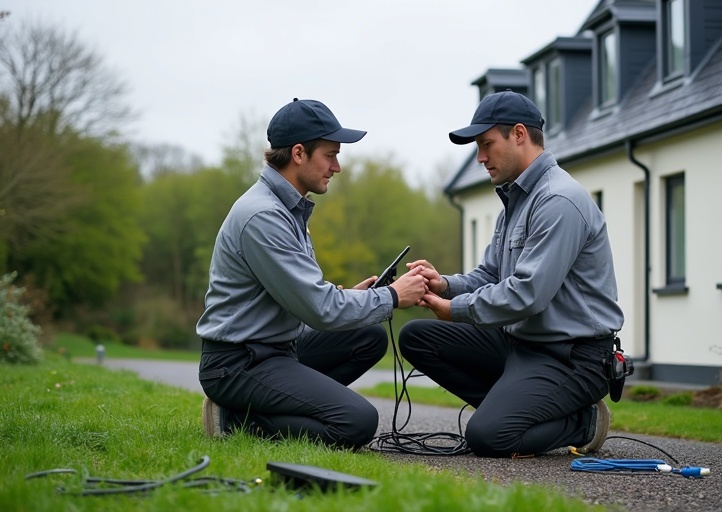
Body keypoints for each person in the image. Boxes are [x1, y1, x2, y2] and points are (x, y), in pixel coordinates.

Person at [399, 91, 625, 458]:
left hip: (572, 357)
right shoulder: (515, 202)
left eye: (486, 144)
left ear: (519, 134)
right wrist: (444, 286)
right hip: (522, 345)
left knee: (489, 437)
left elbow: (527, 294)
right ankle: (516, 411)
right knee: (417, 338)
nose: (480, 157)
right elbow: (490, 274)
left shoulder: (559, 201)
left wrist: (453, 309)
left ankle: (583, 421)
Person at [196, 98, 427, 450]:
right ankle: (234, 418)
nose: (337, 166)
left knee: (368, 337)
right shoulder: (264, 217)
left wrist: (356, 296)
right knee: (356, 422)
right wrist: (393, 296)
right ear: (299, 153)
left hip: (275, 349)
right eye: (330, 154)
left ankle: (266, 406)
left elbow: (307, 297)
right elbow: (319, 308)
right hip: (238, 364)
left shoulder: (289, 210)